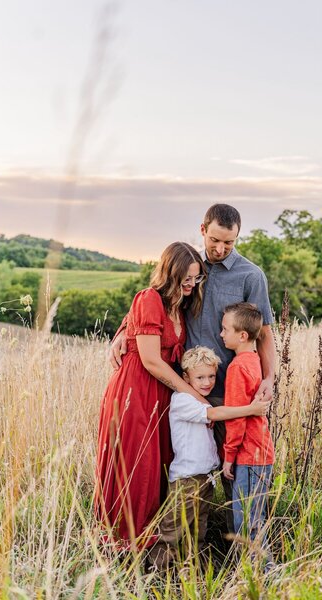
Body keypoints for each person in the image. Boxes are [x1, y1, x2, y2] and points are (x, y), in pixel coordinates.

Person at [110, 204, 275, 531]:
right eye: (215, 240)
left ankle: (240, 547)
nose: (220, 248)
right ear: (202, 229)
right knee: (186, 469)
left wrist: (269, 377)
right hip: (187, 389)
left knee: (235, 469)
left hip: (232, 390)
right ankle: (178, 541)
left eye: (229, 242)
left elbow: (265, 333)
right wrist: (123, 332)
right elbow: (157, 298)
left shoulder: (251, 276)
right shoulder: (191, 267)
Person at [95, 242, 210, 548]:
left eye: (196, 278)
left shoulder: (179, 306)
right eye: (186, 277)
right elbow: (151, 359)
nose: (191, 284)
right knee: (135, 463)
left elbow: (133, 324)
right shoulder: (150, 298)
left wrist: (122, 330)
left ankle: (154, 540)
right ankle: (124, 541)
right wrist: (194, 397)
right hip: (136, 388)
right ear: (170, 272)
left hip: (162, 394)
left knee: (157, 464)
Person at [148, 345, 271, 569]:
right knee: (172, 531)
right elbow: (214, 413)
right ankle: (156, 575)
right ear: (185, 377)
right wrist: (250, 409)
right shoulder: (182, 401)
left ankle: (192, 575)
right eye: (200, 377)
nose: (207, 382)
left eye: (211, 376)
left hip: (205, 479)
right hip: (186, 481)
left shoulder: (197, 400)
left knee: (198, 532)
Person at [221, 303, 275, 567]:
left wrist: (228, 456)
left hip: (249, 455)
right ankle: (258, 575)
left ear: (242, 336)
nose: (221, 334)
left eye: (225, 329)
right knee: (254, 519)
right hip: (261, 452)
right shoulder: (254, 361)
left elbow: (235, 417)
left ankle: (266, 577)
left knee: (247, 524)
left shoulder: (237, 368)